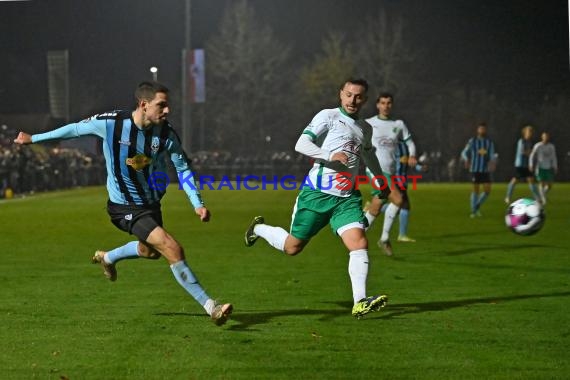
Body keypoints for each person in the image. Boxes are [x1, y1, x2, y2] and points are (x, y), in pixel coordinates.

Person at [13, 81, 232, 325]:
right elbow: (74, 129)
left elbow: (183, 168)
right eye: (162, 105)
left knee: (150, 252)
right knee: (172, 248)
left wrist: (197, 203)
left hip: (150, 205)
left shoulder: (166, 134)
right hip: (124, 207)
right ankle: (210, 306)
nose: (168, 110)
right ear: (144, 104)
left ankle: (108, 258)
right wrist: (34, 138)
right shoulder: (112, 123)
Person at [244, 78, 388, 318]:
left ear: (364, 99)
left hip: (346, 198)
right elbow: (301, 144)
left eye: (358, 96)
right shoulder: (328, 116)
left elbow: (368, 155)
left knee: (359, 243)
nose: (353, 100)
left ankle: (360, 301)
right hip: (317, 196)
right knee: (292, 248)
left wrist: (379, 179)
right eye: (349, 94)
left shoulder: (365, 128)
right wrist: (330, 154)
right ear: (341, 94)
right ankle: (258, 228)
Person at [363, 93, 416, 255]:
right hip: (375, 170)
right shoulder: (369, 123)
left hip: (390, 172)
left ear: (391, 105)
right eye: (383, 103)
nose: (386, 106)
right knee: (399, 199)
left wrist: (412, 155)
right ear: (378, 105)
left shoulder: (398, 124)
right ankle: (384, 238)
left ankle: (357, 233)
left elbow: (410, 142)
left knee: (376, 207)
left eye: (389, 103)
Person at [460, 122, 497, 218]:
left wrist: (493, 162)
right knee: (475, 190)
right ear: (478, 130)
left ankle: (476, 206)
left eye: (484, 129)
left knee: (487, 190)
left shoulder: (489, 142)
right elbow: (464, 152)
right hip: (475, 169)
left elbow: (492, 155)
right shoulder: (472, 141)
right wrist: (466, 159)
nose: (482, 131)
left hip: (485, 170)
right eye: (481, 129)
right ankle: (473, 211)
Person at [505, 125, 540, 204]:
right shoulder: (521, 141)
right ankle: (508, 197)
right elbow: (523, 152)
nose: (530, 133)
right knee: (514, 181)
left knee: (531, 181)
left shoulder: (530, 142)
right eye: (528, 132)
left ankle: (538, 199)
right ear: (525, 133)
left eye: (531, 132)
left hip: (527, 165)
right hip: (520, 164)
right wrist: (532, 152)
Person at [529, 131, 557, 205]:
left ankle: (541, 195)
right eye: (544, 136)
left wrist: (555, 166)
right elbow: (532, 155)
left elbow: (553, 157)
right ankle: (544, 200)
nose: (545, 138)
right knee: (541, 183)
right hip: (540, 167)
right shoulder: (538, 145)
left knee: (549, 185)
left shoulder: (551, 146)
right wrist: (531, 164)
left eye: (547, 136)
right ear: (542, 137)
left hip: (548, 167)